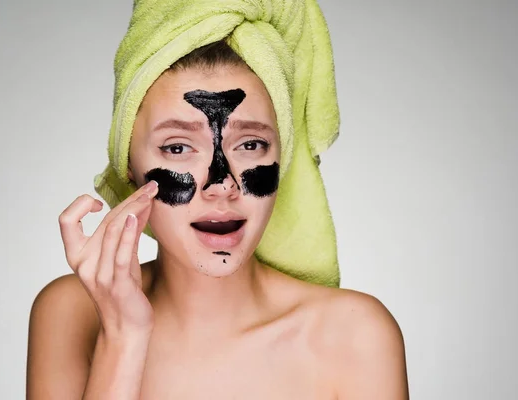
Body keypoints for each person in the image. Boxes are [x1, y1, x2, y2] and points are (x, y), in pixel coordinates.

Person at [26, 1, 409, 399]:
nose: (221, 184)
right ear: (128, 166)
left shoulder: (355, 334)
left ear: (283, 158)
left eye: (250, 143)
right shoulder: (71, 313)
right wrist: (123, 336)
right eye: (177, 148)